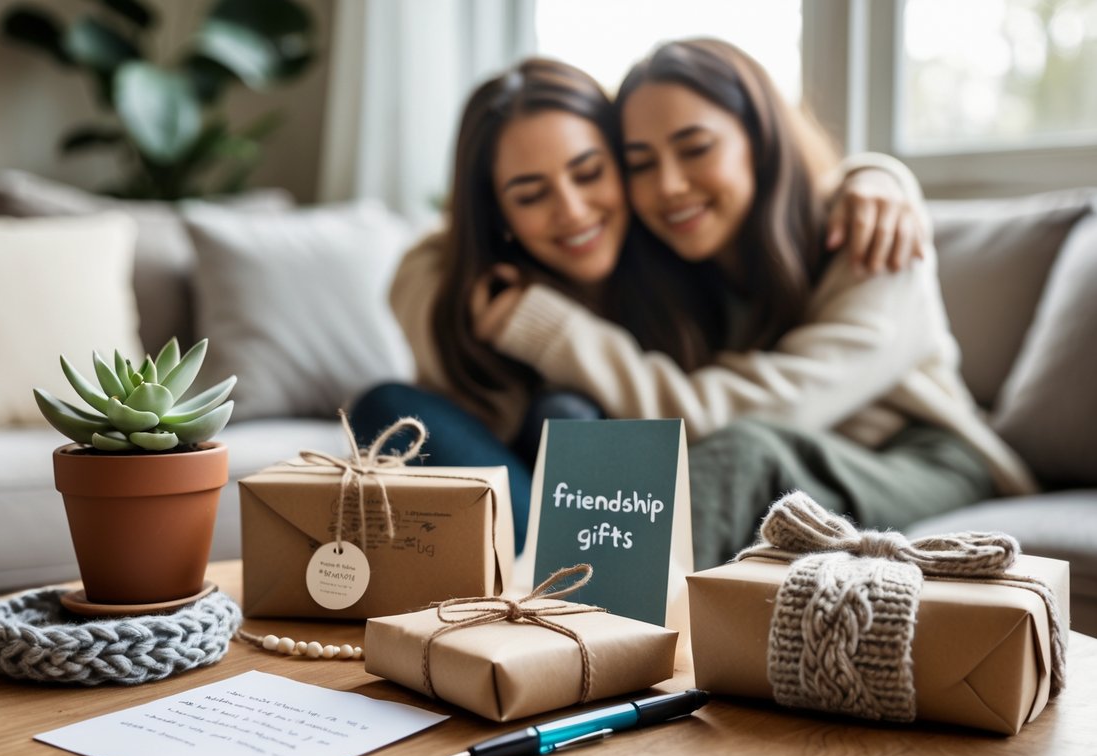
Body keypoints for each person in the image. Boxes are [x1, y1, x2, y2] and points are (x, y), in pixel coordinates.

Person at [458, 40, 1036, 566]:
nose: (670, 186)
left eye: (696, 148)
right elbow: (450, 245)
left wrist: (883, 176)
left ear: (759, 140)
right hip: (803, 461)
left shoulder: (873, 241)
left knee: (743, 452)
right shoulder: (675, 261)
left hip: (929, 458)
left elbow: (744, 418)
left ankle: (585, 633)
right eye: (640, 163)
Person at [351, 55, 942, 560]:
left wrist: (881, 176)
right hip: (517, 463)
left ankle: (563, 588)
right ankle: (556, 580)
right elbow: (470, 381)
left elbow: (788, 196)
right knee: (394, 405)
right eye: (530, 194)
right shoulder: (454, 280)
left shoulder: (671, 250)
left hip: (853, 457)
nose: (574, 211)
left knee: (573, 413)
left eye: (591, 172)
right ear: (495, 213)